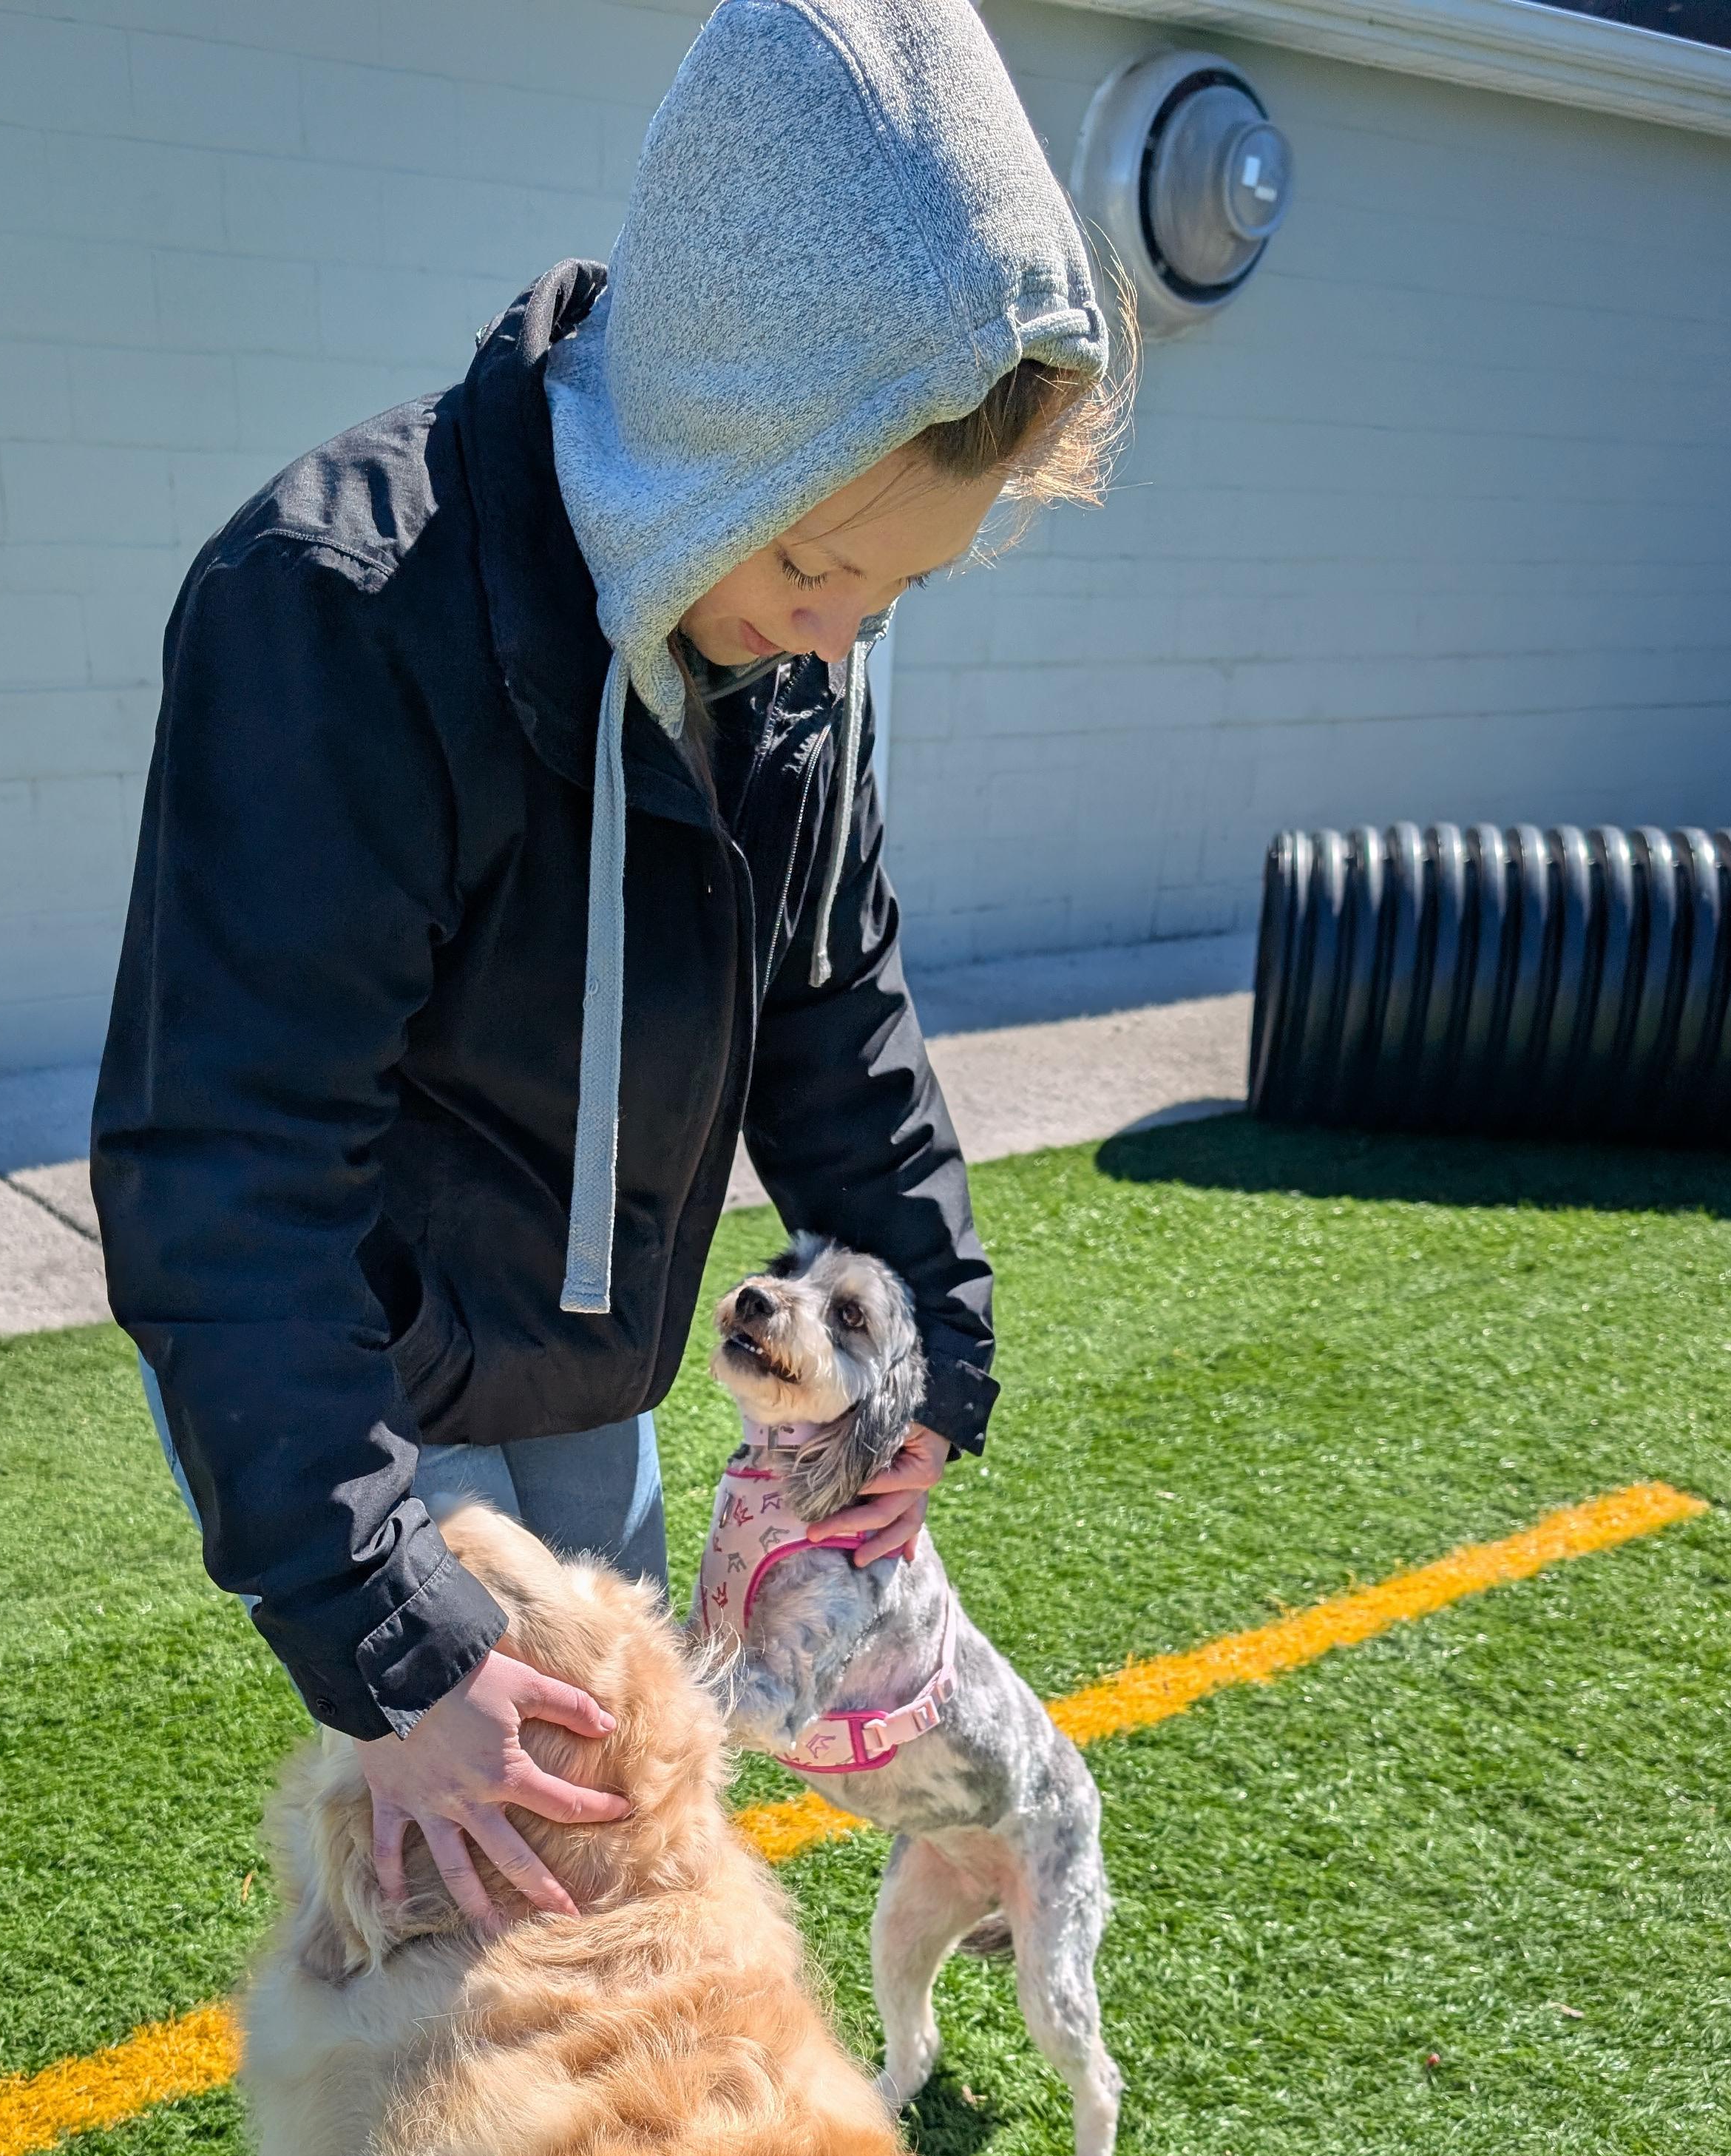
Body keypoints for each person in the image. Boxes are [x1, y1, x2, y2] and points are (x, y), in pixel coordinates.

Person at [92, 0, 1117, 1927]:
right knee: (453, 1888)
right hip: (367, 1368)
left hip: (587, 1366)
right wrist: (382, 1633)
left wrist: (939, 1351)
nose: (834, 641)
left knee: (617, 1842)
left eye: (891, 599)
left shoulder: (782, 670)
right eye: (821, 573)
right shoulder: (334, 613)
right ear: (713, 437)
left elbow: (839, 1021)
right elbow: (226, 1156)